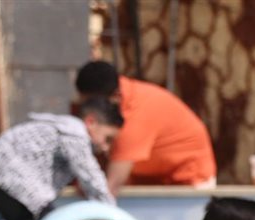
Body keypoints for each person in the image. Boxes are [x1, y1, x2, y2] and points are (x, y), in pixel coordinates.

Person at [74, 60, 216, 194]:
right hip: (150, 180)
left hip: (189, 184)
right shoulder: (112, 95)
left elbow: (110, 188)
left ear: (116, 96)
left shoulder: (135, 115)